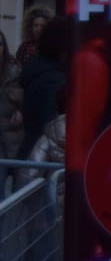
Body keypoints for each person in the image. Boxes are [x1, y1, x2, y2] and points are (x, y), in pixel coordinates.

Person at [19, 18, 68, 159]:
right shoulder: (53, 80)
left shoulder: (41, 71)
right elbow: (55, 131)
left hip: (33, 154)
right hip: (41, 161)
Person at [0, 30, 23, 160]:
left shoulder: (16, 71)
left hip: (9, 138)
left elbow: (27, 99)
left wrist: (21, 111)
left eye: (0, 44)